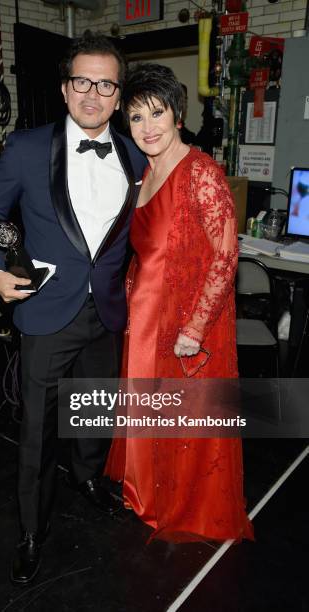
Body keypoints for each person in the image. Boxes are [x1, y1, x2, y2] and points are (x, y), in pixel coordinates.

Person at [0, 31, 146, 584]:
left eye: (105, 84)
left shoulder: (134, 154)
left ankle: (89, 476)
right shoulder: (26, 148)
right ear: (65, 88)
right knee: (37, 431)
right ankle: (31, 530)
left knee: (96, 408)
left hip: (109, 312)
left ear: (118, 96)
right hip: (47, 309)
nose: (92, 94)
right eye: (82, 82)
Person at [105, 63, 254, 543]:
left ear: (178, 114)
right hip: (144, 316)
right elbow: (143, 252)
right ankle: (147, 493)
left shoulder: (202, 172)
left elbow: (226, 256)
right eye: (135, 118)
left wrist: (194, 328)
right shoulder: (145, 175)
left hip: (182, 321)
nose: (147, 127)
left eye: (156, 113)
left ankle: (179, 501)